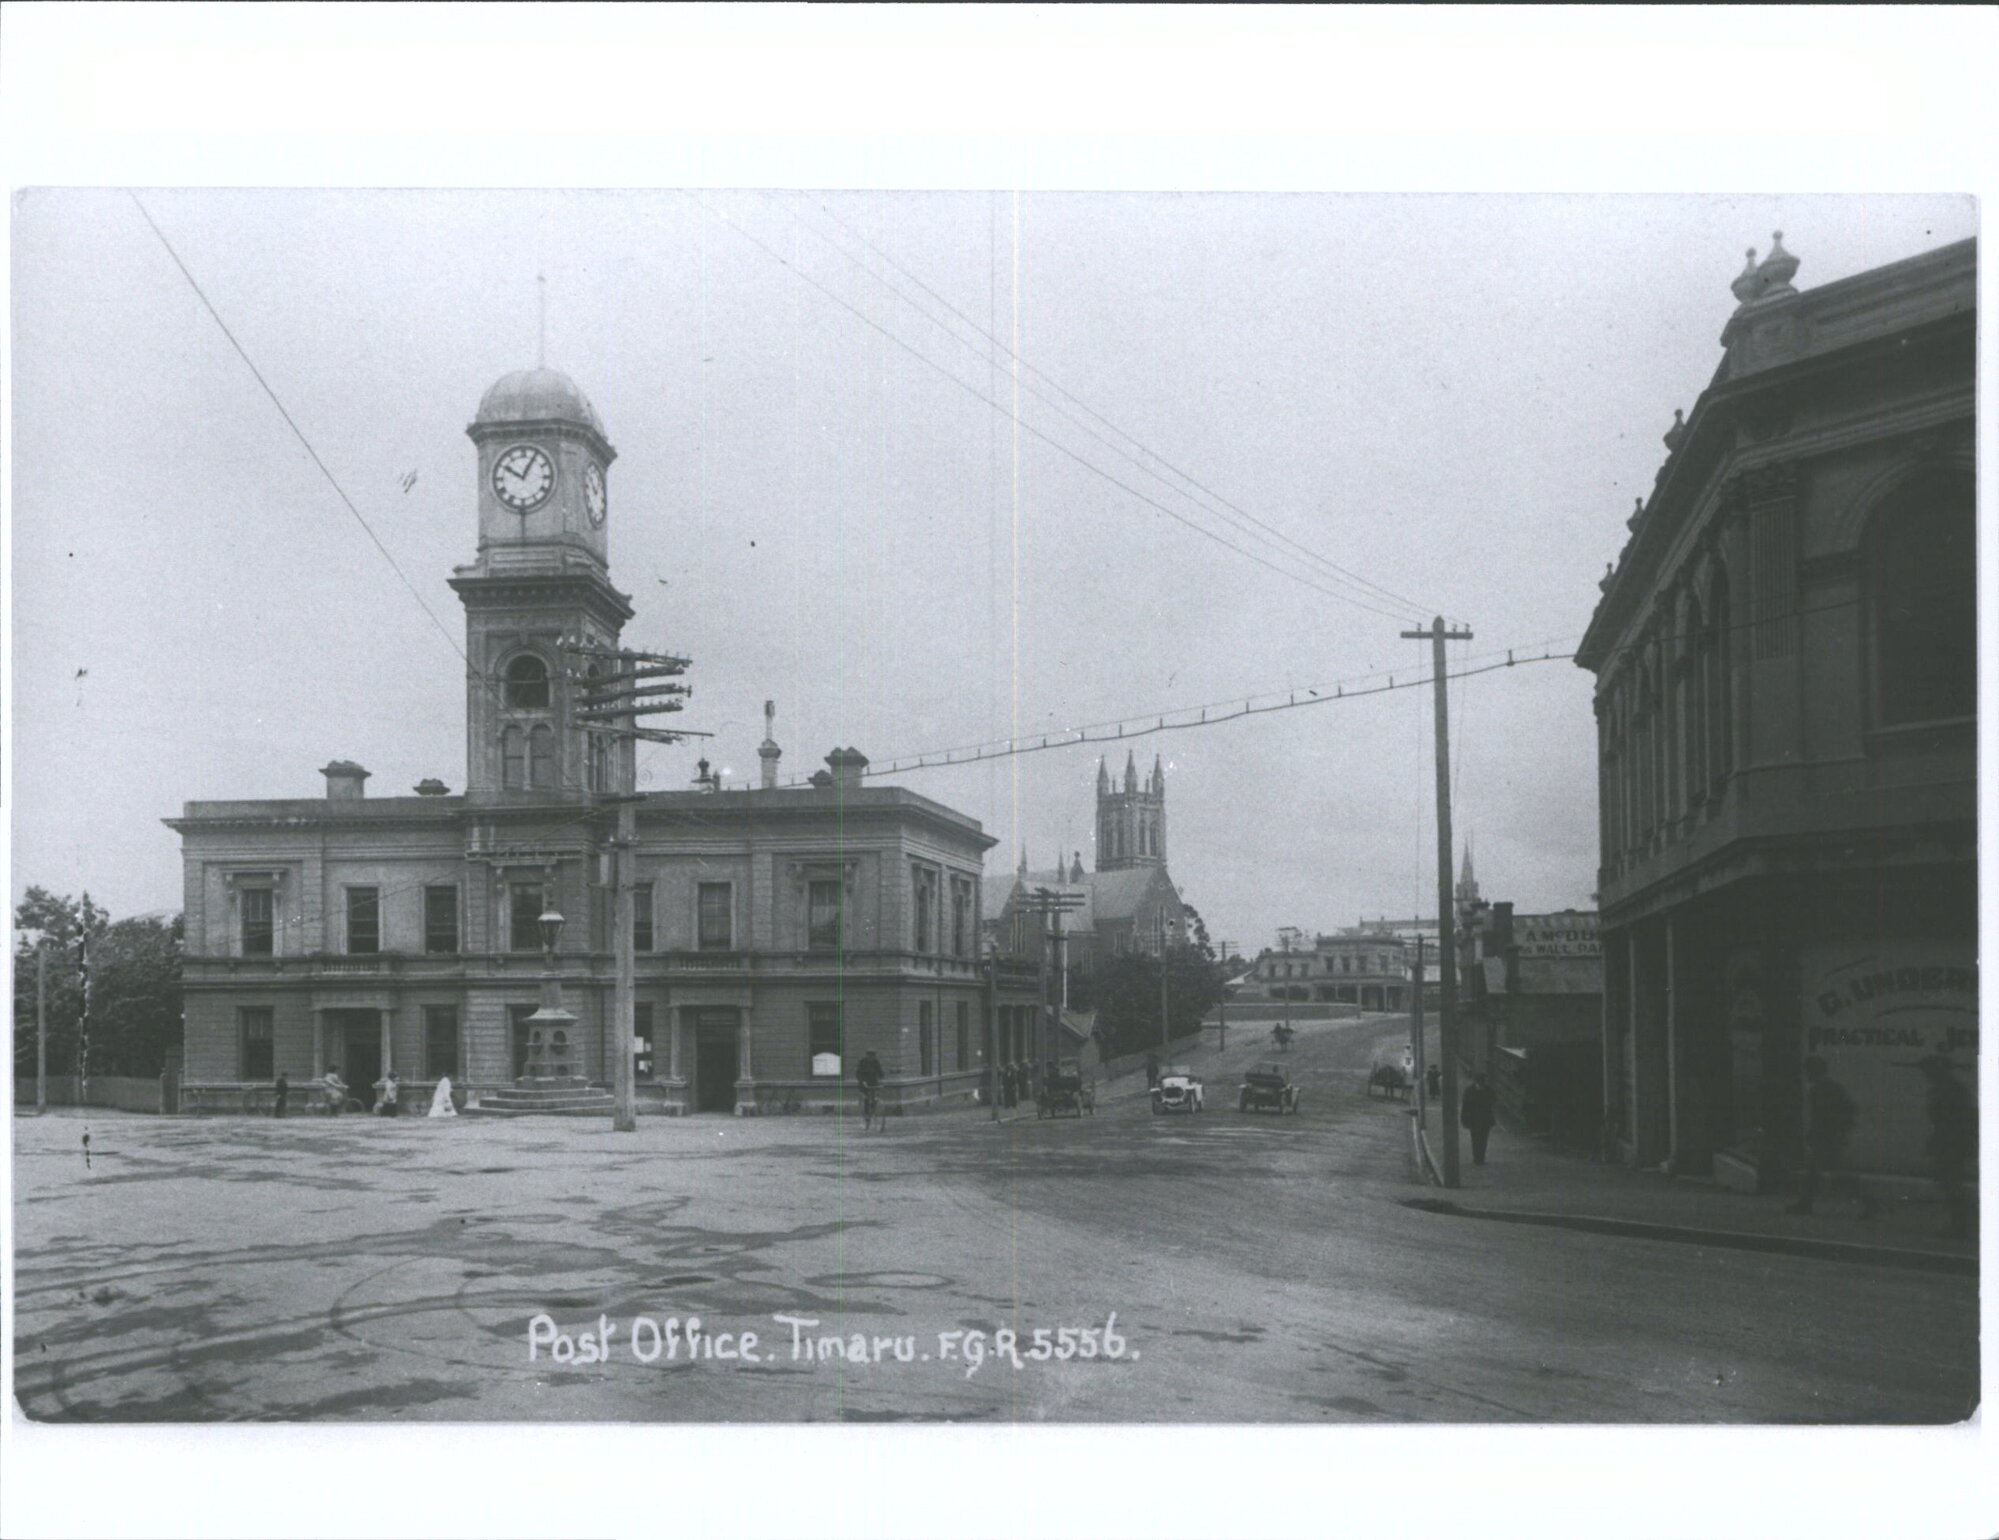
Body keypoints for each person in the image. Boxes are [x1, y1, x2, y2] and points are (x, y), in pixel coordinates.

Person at [1787, 1056, 1870, 1219]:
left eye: (1808, 1071)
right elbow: (1848, 1109)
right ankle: (1805, 1203)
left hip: (1827, 1138)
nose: (1806, 1074)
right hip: (1829, 1137)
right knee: (1818, 1173)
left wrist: (1818, 1132)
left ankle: (1870, 1202)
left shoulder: (1821, 1089)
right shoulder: (1829, 1087)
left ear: (1814, 1071)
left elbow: (1822, 1116)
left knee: (1839, 1175)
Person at [1914, 1055, 1974, 1239]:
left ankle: (1961, 1225)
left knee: (1950, 1183)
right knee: (1950, 1182)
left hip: (1950, 1141)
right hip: (1951, 1140)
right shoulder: (1952, 1088)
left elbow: (1947, 1120)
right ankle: (1961, 1223)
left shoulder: (1945, 1090)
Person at [1460, 1073, 1496, 1166]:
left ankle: (1481, 1157)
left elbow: (1494, 1101)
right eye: (1479, 1082)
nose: (1481, 1084)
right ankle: (1477, 1158)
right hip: (1474, 1120)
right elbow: (1465, 1106)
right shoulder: (1469, 1091)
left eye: (1482, 1082)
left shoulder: (1488, 1090)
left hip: (1485, 1119)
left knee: (1483, 1139)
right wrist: (1464, 1119)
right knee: (1475, 1139)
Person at [855, 1049, 885, 1130]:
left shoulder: (875, 1062)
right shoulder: (862, 1062)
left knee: (875, 1097)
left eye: (873, 1055)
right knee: (866, 1099)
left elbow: (880, 1072)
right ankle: (866, 1115)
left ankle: (874, 1109)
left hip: (873, 1083)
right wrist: (863, 1081)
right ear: (867, 1055)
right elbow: (858, 1074)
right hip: (864, 1085)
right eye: (870, 1055)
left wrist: (881, 1078)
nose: (871, 1057)